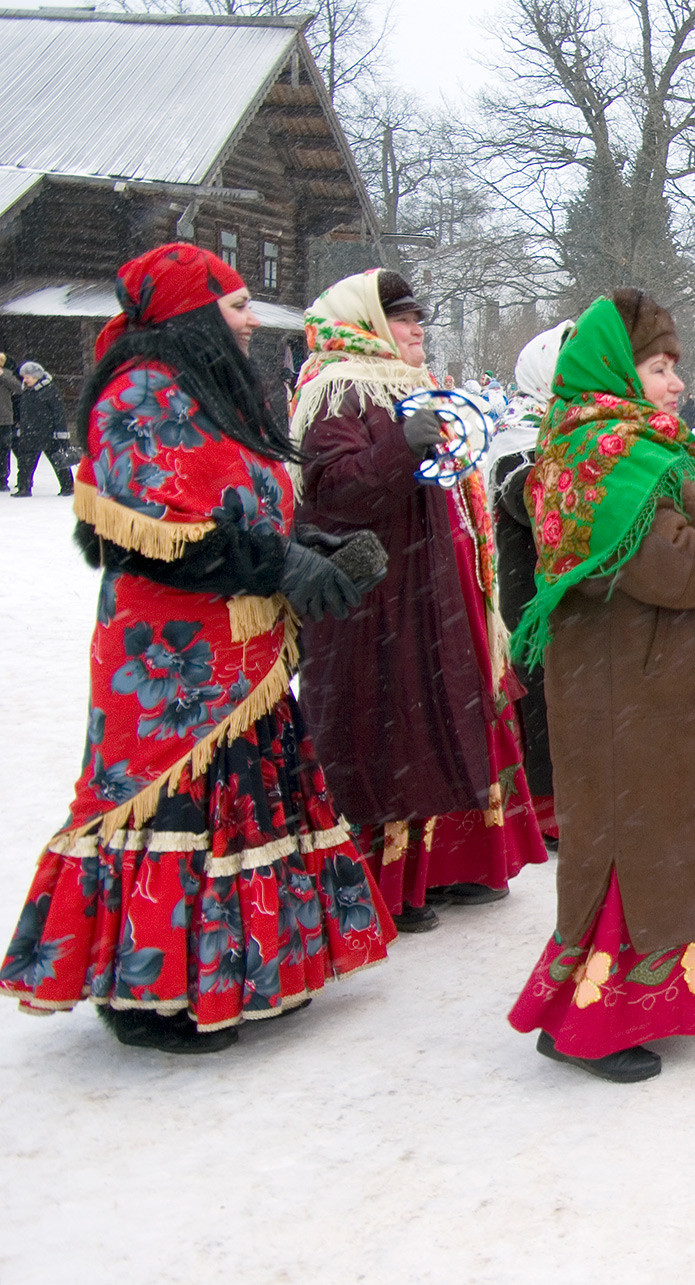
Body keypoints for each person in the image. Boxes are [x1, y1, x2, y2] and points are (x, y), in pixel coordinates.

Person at [0, 242, 394, 1052]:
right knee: (176, 810)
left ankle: (245, 969)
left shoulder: (214, 394)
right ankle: (149, 996)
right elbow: (153, 533)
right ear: (193, 312)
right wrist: (280, 562)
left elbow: (242, 505)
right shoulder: (137, 393)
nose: (252, 321)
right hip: (168, 661)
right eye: (238, 304)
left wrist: (312, 544)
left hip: (241, 651)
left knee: (244, 804)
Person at [505, 290, 695, 1082]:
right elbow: (669, 566)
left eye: (675, 366)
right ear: (614, 368)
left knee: (668, 849)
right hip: (631, 699)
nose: (675, 382)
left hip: (664, 692)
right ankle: (583, 1023)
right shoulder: (599, 454)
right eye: (658, 366)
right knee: (631, 858)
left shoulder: (647, 447)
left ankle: (646, 1004)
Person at [293, 269, 547, 932]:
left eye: (419, 319)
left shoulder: (402, 386)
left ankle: (442, 866)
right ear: (368, 323)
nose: (418, 330)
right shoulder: (337, 388)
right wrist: (402, 445)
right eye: (404, 319)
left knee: (435, 719)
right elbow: (334, 488)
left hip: (426, 585)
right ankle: (386, 882)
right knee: (391, 728)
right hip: (375, 599)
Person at [489, 319, 576, 848]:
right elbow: (532, 505)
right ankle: (545, 806)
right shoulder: (521, 436)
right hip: (535, 604)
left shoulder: (575, 429)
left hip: (578, 601)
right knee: (543, 700)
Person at [11, 361, 73, 497]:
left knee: (58, 461)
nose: (25, 380)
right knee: (25, 463)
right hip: (29, 434)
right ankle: (23, 488)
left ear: (37, 376)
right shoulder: (26, 392)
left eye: (28, 377)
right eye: (24, 377)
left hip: (48, 434)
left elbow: (58, 413)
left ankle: (68, 487)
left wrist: (60, 433)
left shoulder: (50, 390)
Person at [0, 353, 19, 492]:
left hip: (4, 420)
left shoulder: (6, 375)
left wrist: (3, 375)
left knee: (3, 451)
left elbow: (18, 388)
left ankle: (2, 479)